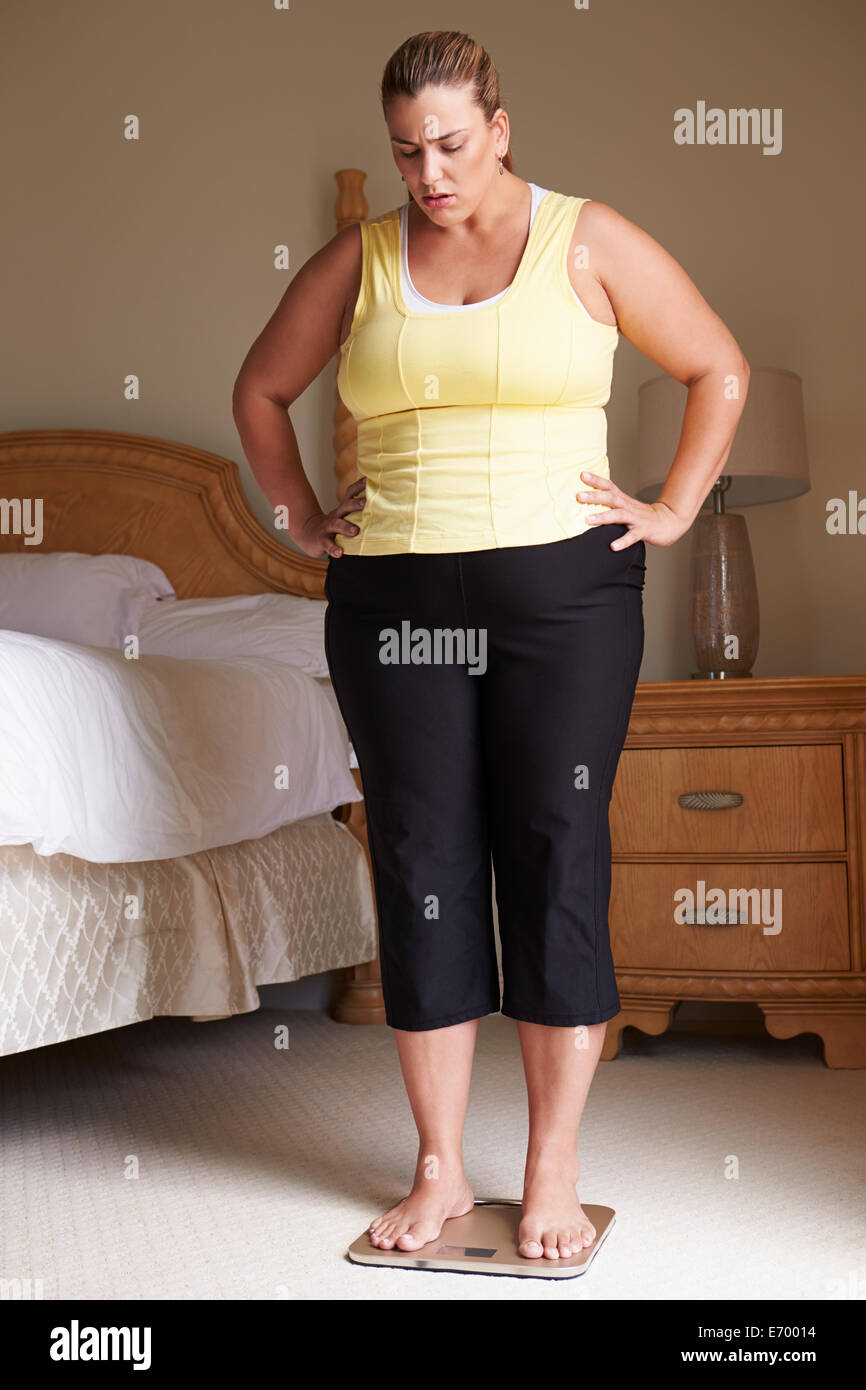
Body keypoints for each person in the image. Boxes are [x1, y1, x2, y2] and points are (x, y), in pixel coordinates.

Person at [232, 30, 750, 1261]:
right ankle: (435, 1169)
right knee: (419, 856)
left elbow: (715, 368)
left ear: (500, 127)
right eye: (407, 151)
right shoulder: (357, 262)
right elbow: (260, 389)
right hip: (394, 600)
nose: (430, 173)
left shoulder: (588, 239)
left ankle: (552, 1166)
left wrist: (671, 509)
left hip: (562, 599)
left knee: (554, 846)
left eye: (451, 144)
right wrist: (299, 515)